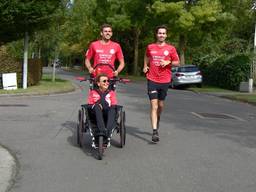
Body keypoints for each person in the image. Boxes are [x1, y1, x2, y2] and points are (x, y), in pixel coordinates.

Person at [143, 25, 180, 143]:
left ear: (166, 35)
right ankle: (154, 132)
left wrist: (168, 61)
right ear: (156, 34)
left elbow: (177, 63)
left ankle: (158, 119)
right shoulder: (150, 47)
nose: (161, 35)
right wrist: (145, 66)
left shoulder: (171, 49)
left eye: (163, 33)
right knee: (154, 106)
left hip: (165, 80)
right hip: (152, 79)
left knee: (160, 105)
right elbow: (146, 56)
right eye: (159, 33)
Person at [87, 73, 117, 146]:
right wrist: (97, 105)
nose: (107, 83)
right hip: (95, 112)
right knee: (97, 106)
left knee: (113, 110)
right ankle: (102, 130)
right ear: (98, 83)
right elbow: (89, 105)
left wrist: (105, 105)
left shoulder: (111, 93)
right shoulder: (93, 92)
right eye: (104, 81)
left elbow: (113, 105)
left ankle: (108, 132)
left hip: (107, 111)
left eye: (108, 81)